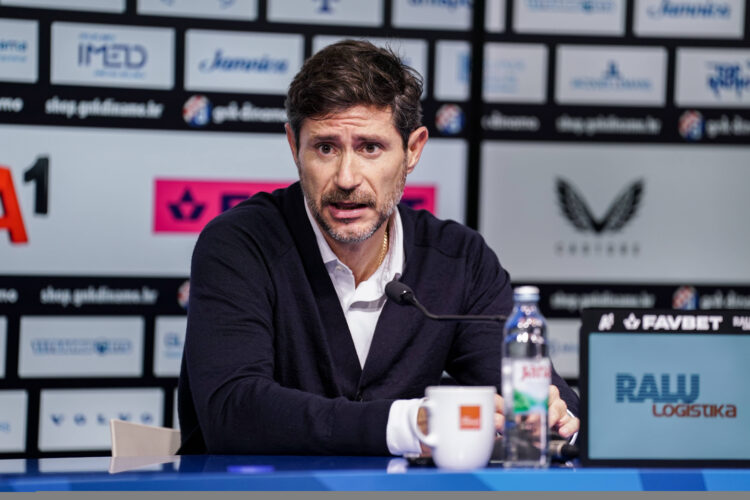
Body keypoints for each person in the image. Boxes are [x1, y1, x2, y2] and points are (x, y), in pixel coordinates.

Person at [178, 39, 579, 455]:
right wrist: (409, 425)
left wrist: (551, 416)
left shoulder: (458, 259)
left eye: (370, 148)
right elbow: (232, 413)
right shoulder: (240, 245)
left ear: (413, 150)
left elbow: (540, 404)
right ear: (294, 147)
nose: (346, 178)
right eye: (325, 148)